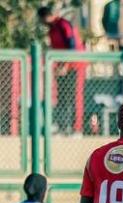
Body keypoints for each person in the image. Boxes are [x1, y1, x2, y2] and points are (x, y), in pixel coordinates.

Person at [38, 6, 85, 135]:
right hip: (62, 67)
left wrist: (66, 65)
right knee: (63, 97)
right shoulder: (52, 29)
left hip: (73, 66)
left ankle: (75, 129)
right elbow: (56, 49)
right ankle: (63, 127)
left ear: (45, 17)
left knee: (71, 97)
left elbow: (72, 46)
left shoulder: (63, 24)